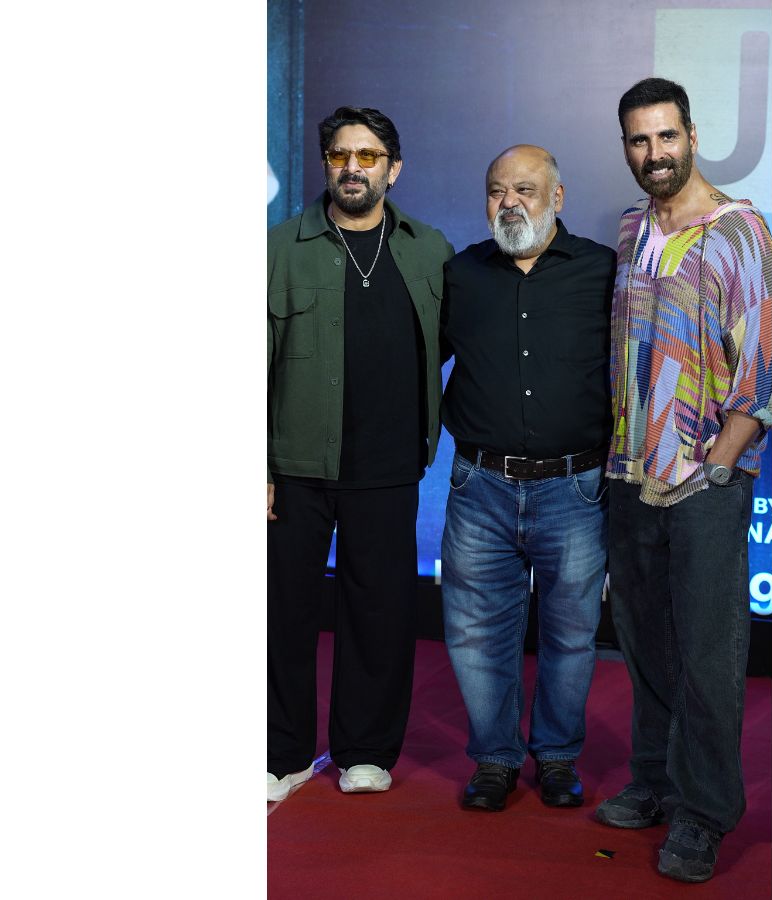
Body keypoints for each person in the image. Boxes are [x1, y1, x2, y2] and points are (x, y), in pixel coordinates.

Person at [594, 78, 772, 883]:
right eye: (639, 140)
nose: (654, 153)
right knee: (647, 646)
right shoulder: (633, 229)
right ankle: (656, 783)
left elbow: (764, 367)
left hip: (704, 482)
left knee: (707, 656)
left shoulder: (740, 231)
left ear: (692, 137)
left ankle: (704, 815)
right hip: (631, 474)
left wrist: (721, 465)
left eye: (666, 137)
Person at [266, 106, 454, 802]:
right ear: (326, 165)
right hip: (293, 466)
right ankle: (280, 753)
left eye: (368, 156)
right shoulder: (278, 249)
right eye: (340, 155)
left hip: (388, 467)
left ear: (392, 169)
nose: (353, 167)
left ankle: (366, 751)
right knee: (282, 614)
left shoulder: (429, 249)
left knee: (380, 615)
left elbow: (447, 343)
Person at [439, 145, 616, 813]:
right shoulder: (461, 274)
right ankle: (494, 760)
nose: (508, 202)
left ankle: (558, 758)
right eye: (496, 190)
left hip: (575, 488)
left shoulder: (602, 271)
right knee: (475, 633)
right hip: (479, 487)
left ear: (557, 198)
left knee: (571, 634)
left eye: (525, 189)